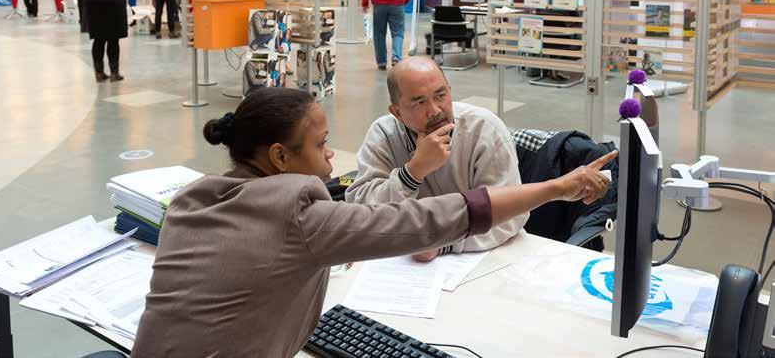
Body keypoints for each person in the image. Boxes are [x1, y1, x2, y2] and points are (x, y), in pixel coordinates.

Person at [130, 87, 615, 357]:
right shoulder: (301, 213)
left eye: (440, 95)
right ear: (280, 157)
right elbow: (431, 216)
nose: (328, 156)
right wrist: (557, 188)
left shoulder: (191, 201)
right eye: (320, 144)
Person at [346, 57, 531, 261]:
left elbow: (510, 215)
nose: (434, 110)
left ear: (450, 91)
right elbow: (360, 211)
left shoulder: (485, 130)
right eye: (419, 102)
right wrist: (412, 173)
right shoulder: (384, 134)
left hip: (486, 257)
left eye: (440, 95)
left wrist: (443, 244)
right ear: (397, 112)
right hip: (406, 265)